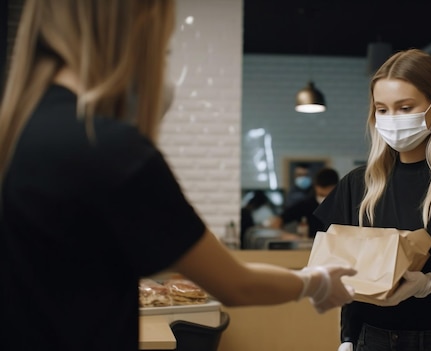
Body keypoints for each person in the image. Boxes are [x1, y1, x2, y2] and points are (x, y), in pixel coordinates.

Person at [0, 1, 356, 350]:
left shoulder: (15, 131)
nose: (162, 63)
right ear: (136, 31)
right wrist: (315, 282)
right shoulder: (107, 148)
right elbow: (236, 285)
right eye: (165, 50)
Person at [314, 48, 431, 351]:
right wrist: (347, 338)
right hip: (368, 339)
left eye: (404, 107)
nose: (391, 119)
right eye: (382, 110)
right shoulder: (358, 185)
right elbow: (346, 278)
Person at [269, 167, 339, 238]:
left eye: (328, 189)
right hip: (309, 245)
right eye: (322, 189)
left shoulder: (341, 205)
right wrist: (286, 235)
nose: (325, 192)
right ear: (316, 186)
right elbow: (278, 220)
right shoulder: (305, 205)